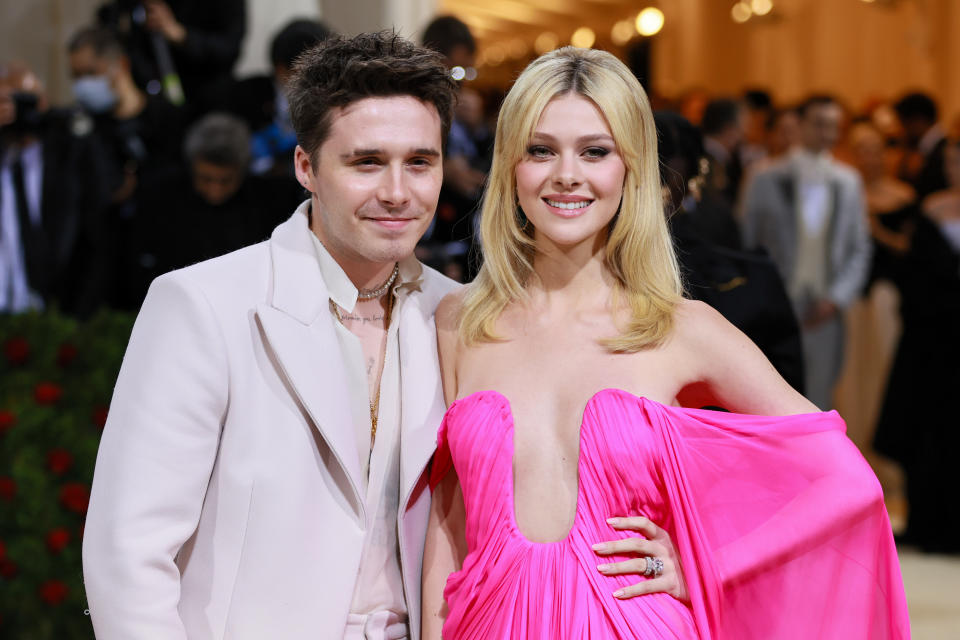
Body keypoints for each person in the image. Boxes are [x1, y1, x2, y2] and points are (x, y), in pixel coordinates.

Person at [421, 47, 908, 639]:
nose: (566, 174)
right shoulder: (459, 322)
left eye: (595, 151)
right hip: (488, 622)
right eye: (540, 150)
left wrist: (702, 563)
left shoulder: (684, 328)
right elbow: (448, 521)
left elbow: (844, 480)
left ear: (630, 167)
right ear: (509, 166)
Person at [82, 32, 459, 639]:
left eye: (420, 161)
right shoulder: (205, 304)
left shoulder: (460, 314)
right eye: (367, 162)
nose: (398, 191)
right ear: (306, 167)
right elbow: (129, 552)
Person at [741, 95, 872, 409]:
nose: (829, 133)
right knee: (769, 402)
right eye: (820, 124)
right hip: (775, 308)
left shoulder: (849, 181)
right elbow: (748, 243)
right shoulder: (764, 177)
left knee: (819, 401)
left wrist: (835, 299)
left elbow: (860, 247)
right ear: (798, 125)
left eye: (834, 126)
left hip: (824, 312)